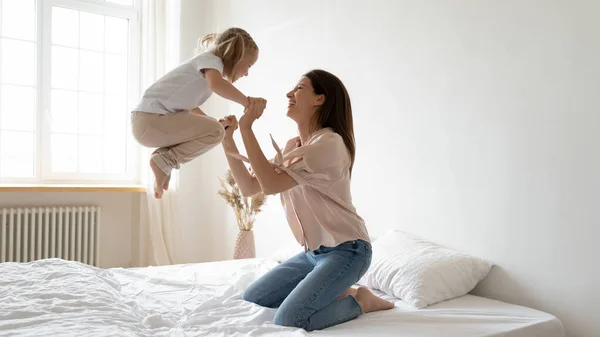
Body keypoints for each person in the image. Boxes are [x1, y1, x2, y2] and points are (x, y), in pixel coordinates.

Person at [219, 70, 394, 331]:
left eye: (299, 88)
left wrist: (247, 128)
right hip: (313, 254)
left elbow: (270, 184)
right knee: (255, 297)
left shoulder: (329, 143)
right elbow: (249, 187)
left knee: (291, 318)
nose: (289, 93)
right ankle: (334, 288)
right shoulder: (294, 145)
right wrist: (227, 138)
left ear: (319, 99)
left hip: (348, 251)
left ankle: (360, 301)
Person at [131, 27, 261, 198]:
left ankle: (164, 160)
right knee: (216, 132)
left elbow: (190, 107)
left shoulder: (205, 68)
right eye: (249, 66)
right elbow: (217, 85)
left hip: (148, 123)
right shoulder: (211, 60)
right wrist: (248, 103)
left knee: (216, 131)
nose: (247, 73)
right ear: (237, 56)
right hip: (150, 120)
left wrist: (215, 123)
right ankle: (166, 160)